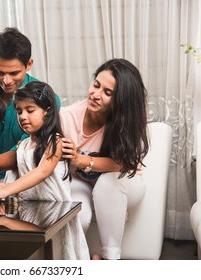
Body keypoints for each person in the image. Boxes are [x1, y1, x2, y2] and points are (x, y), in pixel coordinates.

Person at [0, 81, 90, 260]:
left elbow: (42, 172)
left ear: (47, 111)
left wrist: (6, 190)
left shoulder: (55, 142)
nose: (23, 116)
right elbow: (15, 179)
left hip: (54, 213)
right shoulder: (23, 145)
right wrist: (5, 206)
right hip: (28, 213)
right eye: (19, 111)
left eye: (30, 110)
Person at [60, 58, 149, 260]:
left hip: (124, 182)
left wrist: (83, 161)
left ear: (121, 100)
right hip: (81, 182)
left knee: (107, 183)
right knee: (78, 217)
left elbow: (124, 163)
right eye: (96, 85)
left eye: (107, 93)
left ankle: (110, 260)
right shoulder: (67, 117)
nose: (96, 94)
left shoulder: (126, 121)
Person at [0, 27, 61, 189]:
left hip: (26, 181)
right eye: (0, 72)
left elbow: (26, 150)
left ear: (29, 64)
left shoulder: (46, 99)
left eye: (14, 73)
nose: (7, 80)